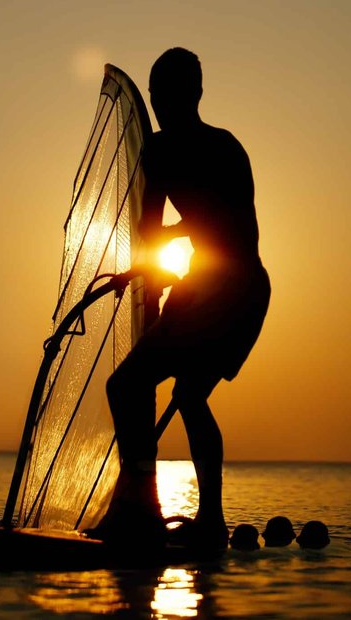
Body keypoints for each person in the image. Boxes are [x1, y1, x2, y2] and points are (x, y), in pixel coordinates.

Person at [90, 48, 271, 549]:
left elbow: (232, 227)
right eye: (154, 94)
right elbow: (149, 231)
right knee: (183, 396)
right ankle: (196, 520)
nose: (160, 102)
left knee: (131, 386)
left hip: (235, 290)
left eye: (166, 92)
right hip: (205, 287)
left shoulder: (224, 148)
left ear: (193, 94)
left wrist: (168, 244)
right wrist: (145, 270)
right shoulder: (157, 153)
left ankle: (146, 510)